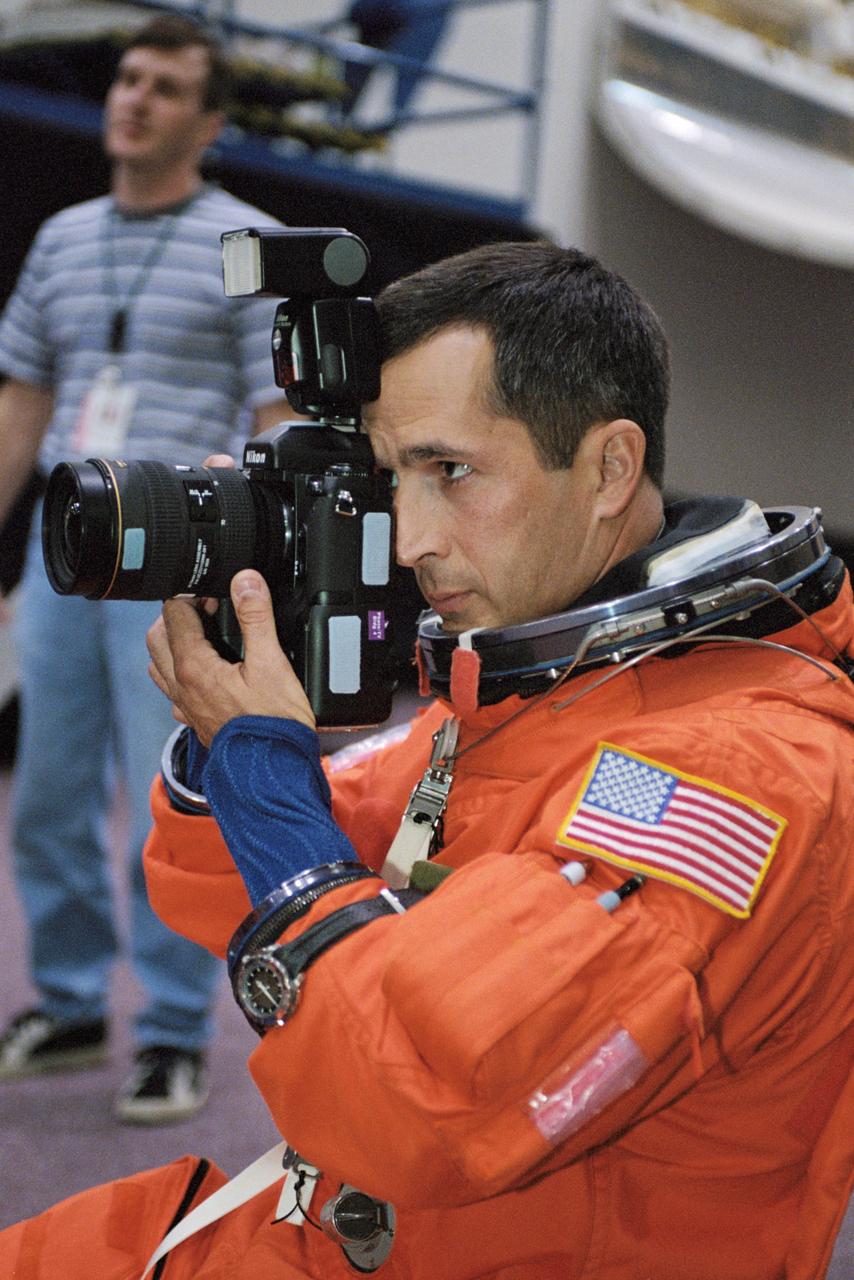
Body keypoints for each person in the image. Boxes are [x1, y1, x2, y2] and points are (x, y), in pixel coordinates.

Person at [1, 240, 852, 1276]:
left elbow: (425, 1100)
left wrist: (264, 776)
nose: (405, 541)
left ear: (608, 468)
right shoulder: (540, 692)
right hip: (368, 1231)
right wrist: (234, 723)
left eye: (449, 471)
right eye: (387, 478)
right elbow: (227, 887)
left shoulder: (735, 774)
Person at [0, 14, 289, 1123]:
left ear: (209, 124)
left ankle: (172, 1028)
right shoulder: (63, 237)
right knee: (49, 792)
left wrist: (247, 573)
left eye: (166, 88)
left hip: (173, 560)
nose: (135, 99)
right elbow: (27, 397)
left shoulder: (244, 244)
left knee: (164, 798)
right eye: (128, 79)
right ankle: (71, 1005)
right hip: (61, 551)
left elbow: (273, 418)